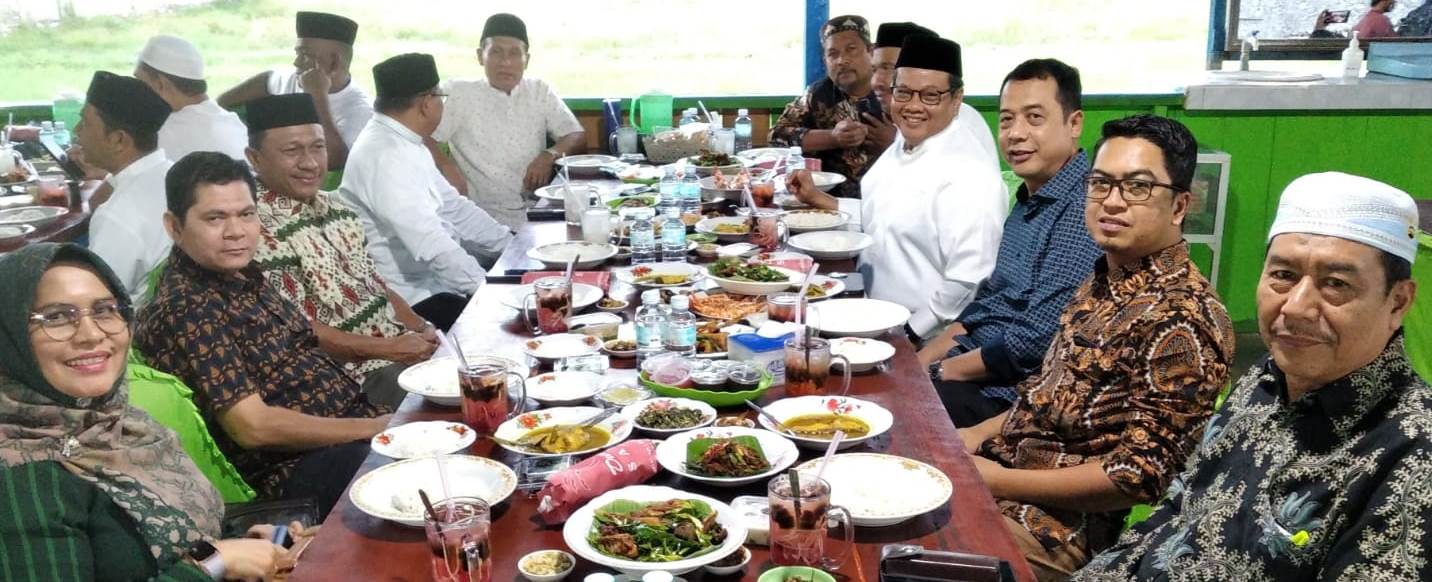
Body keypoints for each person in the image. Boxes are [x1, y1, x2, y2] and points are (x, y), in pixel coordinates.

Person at [1073, 172, 1427, 581]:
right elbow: (1175, 512)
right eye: (1283, 275)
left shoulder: (1412, 453)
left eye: (1335, 284)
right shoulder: (1264, 381)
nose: (1295, 307)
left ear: (1398, 302)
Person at [960, 114, 1235, 580]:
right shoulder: (1105, 276)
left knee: (909, 555)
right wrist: (973, 436)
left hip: (1056, 530)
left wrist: (992, 480)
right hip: (1005, 469)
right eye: (1101, 184)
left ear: (1179, 205)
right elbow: (1047, 392)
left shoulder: (1183, 319)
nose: (1112, 201)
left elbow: (1137, 476)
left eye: (1138, 187)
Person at [0, 243, 283, 581]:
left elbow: (183, 542)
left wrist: (252, 544)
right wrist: (213, 565)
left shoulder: (120, 424)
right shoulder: (20, 478)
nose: (92, 334)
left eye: (105, 310)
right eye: (57, 317)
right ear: (10, 336)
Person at [137, 152, 393, 518]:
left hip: (349, 426)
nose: (236, 232)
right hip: (295, 472)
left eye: (246, 214)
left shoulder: (242, 272)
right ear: (174, 227)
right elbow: (252, 427)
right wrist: (374, 428)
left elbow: (304, 338)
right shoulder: (187, 309)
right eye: (215, 218)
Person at [918, 58, 1103, 427]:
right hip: (972, 363)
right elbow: (989, 303)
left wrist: (936, 372)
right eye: (1006, 119)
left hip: (1006, 397)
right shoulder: (1030, 199)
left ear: (1074, 123)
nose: (1016, 133)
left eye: (1034, 118)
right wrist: (919, 364)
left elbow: (1035, 341)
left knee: (903, 418)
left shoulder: (1083, 209)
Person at [787, 35, 1007, 340]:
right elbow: (882, 218)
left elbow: (967, 280)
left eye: (930, 96)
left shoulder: (970, 173)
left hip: (920, 337)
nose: (913, 106)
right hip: (873, 318)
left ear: (956, 99)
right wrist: (817, 199)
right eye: (903, 93)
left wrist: (912, 334)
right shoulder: (905, 144)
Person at [244, 93, 438, 392]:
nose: (310, 163)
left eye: (318, 148)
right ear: (255, 159)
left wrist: (423, 328)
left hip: (396, 351)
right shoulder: (254, 229)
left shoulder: (338, 209)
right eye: (292, 151)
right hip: (346, 376)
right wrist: (391, 349)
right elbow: (297, 329)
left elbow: (376, 287)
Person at [339, 53, 513, 331]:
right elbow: (432, 246)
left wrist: (512, 248)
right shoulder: (384, 154)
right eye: (440, 97)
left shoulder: (406, 141)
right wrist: (487, 292)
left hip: (438, 283)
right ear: (425, 103)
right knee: (509, 324)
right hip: (409, 301)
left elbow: (455, 208)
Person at [430, 13, 586, 229]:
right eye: (495, 52)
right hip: (480, 217)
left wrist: (548, 156)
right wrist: (447, 166)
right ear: (480, 56)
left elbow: (575, 134)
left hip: (536, 213)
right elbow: (422, 137)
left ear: (527, 60)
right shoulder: (459, 93)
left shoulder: (539, 90)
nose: (505, 62)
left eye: (515, 53)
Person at [218, 11, 370, 168]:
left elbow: (333, 161)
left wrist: (316, 95)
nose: (296, 63)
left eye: (304, 55)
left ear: (334, 63)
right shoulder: (294, 80)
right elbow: (227, 99)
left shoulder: (361, 112)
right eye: (297, 54)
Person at [74, 71, 173, 304]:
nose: (77, 131)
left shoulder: (118, 217)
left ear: (119, 140)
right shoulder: (177, 173)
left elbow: (92, 302)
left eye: (85, 122)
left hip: (137, 334)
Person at [769, 15, 882, 198]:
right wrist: (832, 138)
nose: (841, 61)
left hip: (888, 201)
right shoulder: (818, 93)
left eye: (851, 50)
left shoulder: (893, 90)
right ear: (825, 61)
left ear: (871, 51)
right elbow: (776, 136)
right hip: (827, 202)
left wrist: (895, 142)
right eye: (833, 54)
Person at [870, 21, 997, 167]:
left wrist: (895, 143)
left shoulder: (961, 120)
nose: (876, 82)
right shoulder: (889, 115)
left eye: (889, 68)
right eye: (874, 69)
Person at [134, 35, 247, 161]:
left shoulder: (166, 130)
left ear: (160, 84)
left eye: (139, 81)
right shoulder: (229, 120)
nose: (135, 90)